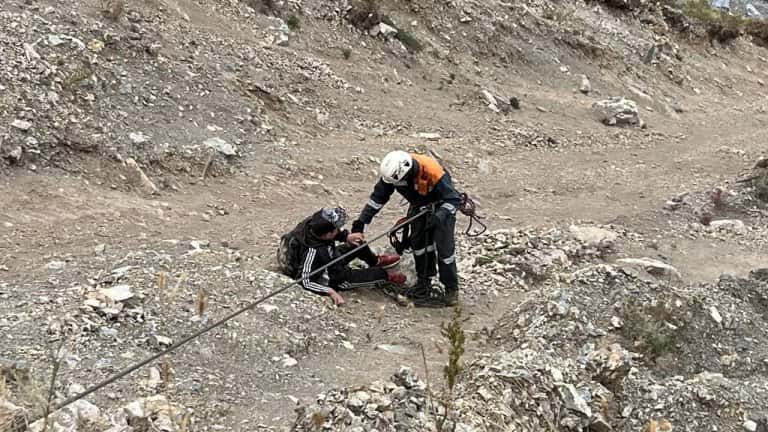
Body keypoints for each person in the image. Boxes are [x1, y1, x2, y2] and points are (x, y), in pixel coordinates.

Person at [350, 151, 461, 307]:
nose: (399, 185)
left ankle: (451, 289)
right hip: (419, 207)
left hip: (442, 208)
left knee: (445, 251)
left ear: (408, 172)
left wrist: (440, 215)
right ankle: (424, 280)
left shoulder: (433, 171)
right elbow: (377, 199)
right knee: (419, 246)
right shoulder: (392, 175)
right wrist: (361, 223)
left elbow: (453, 199)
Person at [281, 207, 406, 306]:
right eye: (337, 229)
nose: (339, 229)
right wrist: (329, 291)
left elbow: (331, 235)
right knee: (378, 273)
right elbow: (305, 280)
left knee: (358, 244)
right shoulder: (312, 252)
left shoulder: (311, 224)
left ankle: (375, 260)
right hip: (335, 277)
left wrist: (345, 237)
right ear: (328, 234)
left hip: (331, 258)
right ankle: (386, 277)